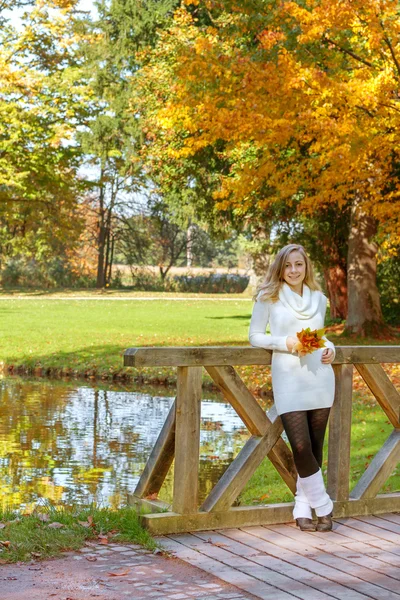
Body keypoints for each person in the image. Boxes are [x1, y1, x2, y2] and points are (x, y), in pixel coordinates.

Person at [249, 243, 335, 532]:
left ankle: (302, 508)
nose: (294, 270)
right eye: (288, 265)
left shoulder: (319, 298)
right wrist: (284, 343)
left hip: (320, 377)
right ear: (280, 268)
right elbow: (255, 336)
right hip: (288, 377)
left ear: (306, 267)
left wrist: (331, 349)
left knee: (314, 446)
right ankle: (323, 505)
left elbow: (321, 337)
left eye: (299, 264)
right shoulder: (268, 297)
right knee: (300, 445)